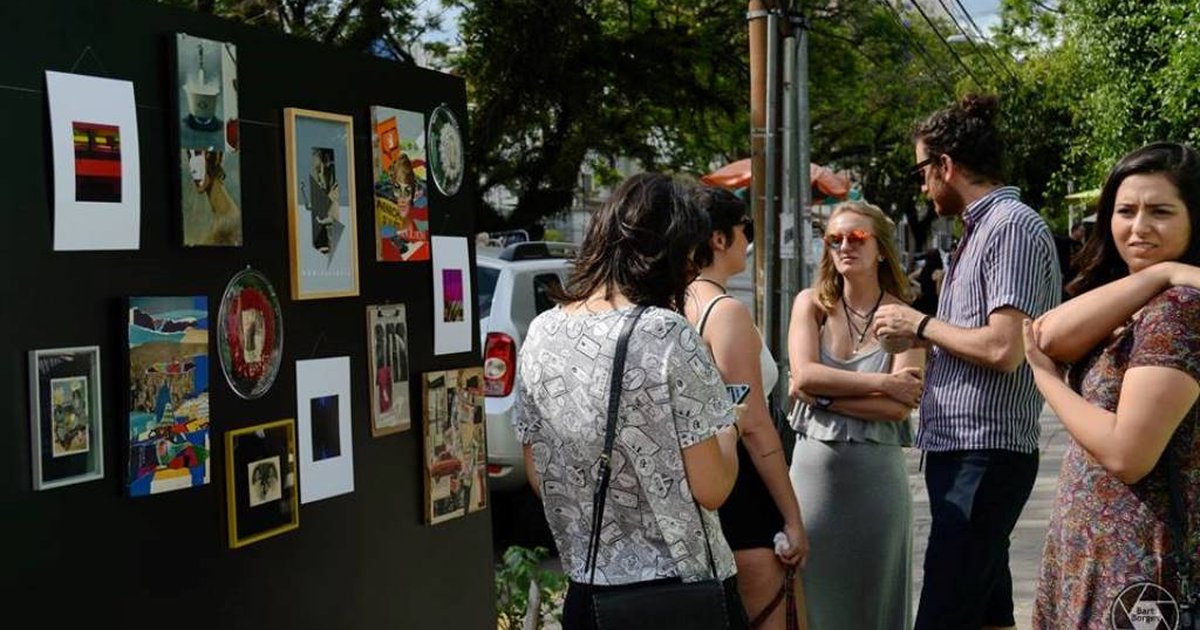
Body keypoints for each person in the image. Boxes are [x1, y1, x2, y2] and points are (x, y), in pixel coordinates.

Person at [511, 173, 749, 629]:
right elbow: (713, 487)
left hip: (589, 590)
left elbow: (540, 474)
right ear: (673, 254)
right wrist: (730, 426)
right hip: (680, 594)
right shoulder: (665, 333)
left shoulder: (542, 331)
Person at [872, 94, 1061, 630]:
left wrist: (921, 326)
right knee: (987, 611)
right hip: (964, 450)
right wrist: (919, 338)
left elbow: (1005, 348)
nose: (922, 187)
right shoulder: (981, 229)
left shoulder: (1011, 227)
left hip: (986, 451)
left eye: (921, 172)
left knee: (944, 613)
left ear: (946, 166)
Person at [1023, 142, 1200, 626]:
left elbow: (1127, 454)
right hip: (1100, 558)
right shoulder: (1148, 295)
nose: (1139, 228)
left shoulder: (1180, 311)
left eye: (1160, 211)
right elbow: (1047, 334)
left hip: (1141, 573)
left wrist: (1046, 380)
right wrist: (1159, 272)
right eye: (1125, 211)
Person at [786, 201, 926, 629]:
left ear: (881, 248)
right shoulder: (811, 304)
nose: (845, 245)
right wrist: (882, 382)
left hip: (876, 487)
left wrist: (823, 398)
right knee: (814, 601)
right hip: (813, 484)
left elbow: (899, 406)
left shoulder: (902, 314)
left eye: (857, 237)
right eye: (835, 239)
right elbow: (804, 374)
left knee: (876, 604)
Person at [684, 187, 808, 629]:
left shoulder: (668, 306)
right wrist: (793, 516)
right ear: (719, 239)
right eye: (744, 230)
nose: (747, 240)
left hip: (693, 494)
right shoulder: (723, 312)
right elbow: (753, 424)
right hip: (743, 496)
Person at [909, 248, 945, 316]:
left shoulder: (923, 270)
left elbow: (910, 277)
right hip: (932, 305)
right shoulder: (939, 273)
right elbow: (938, 292)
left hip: (922, 301)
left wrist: (919, 285)